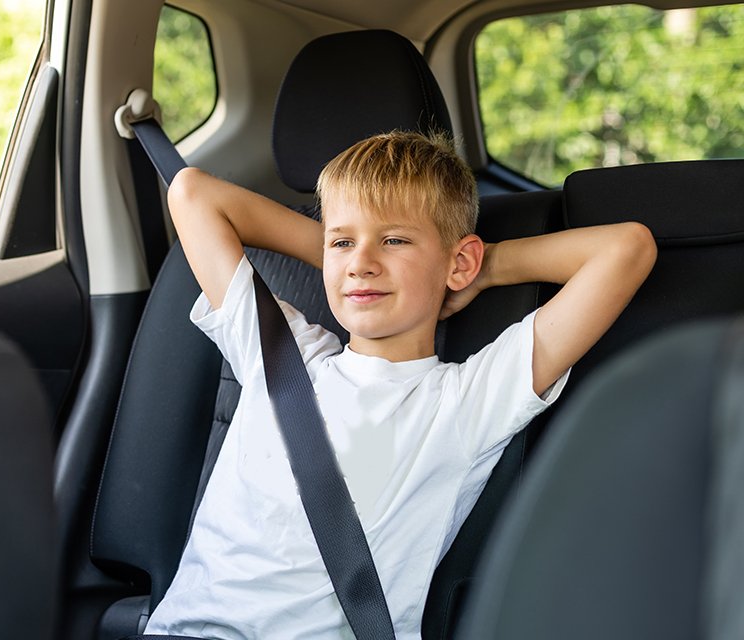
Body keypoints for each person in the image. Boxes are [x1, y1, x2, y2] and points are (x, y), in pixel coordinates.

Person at [142, 130, 657, 639]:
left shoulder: (466, 402)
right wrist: (341, 257)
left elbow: (626, 248)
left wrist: (481, 270)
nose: (362, 262)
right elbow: (192, 193)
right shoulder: (277, 350)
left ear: (460, 260)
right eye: (343, 241)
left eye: (393, 240)